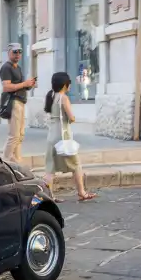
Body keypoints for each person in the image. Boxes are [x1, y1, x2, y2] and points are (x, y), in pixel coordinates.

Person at [44, 72, 97, 202]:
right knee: (76, 165)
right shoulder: (64, 98)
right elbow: (71, 118)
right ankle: (82, 192)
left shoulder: (51, 96)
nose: (70, 86)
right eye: (69, 83)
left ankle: (48, 196)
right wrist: (73, 118)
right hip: (63, 137)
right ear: (64, 85)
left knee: (50, 169)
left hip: (51, 135)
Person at [0, 43, 36, 164]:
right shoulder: (6, 67)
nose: (18, 54)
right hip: (14, 102)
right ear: (9, 52)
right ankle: (5, 160)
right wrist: (24, 84)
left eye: (20, 51)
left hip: (21, 101)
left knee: (20, 135)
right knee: (14, 135)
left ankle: (17, 161)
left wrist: (29, 85)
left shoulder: (18, 68)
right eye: (15, 52)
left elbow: (19, 85)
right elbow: (6, 87)